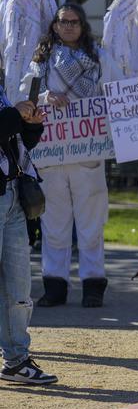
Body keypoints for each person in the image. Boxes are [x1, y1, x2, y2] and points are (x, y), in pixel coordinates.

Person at [26, 4, 121, 308]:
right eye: (63, 21)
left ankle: (93, 284)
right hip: (52, 154)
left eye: (74, 22)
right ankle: (55, 284)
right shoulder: (41, 60)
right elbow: (24, 94)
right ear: (54, 25)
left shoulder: (99, 58)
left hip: (87, 152)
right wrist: (45, 97)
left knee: (90, 224)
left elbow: (117, 93)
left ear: (83, 25)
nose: (68, 26)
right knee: (54, 224)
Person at [0, 90, 57, 384]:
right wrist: (15, 115)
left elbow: (14, 141)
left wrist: (30, 126)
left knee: (18, 286)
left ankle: (16, 360)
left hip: (12, 192)